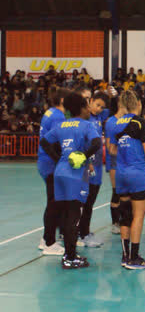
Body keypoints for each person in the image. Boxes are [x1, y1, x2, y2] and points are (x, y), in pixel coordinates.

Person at [40, 92, 101, 269]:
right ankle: (70, 257)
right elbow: (97, 144)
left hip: (60, 171)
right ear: (82, 108)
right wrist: (83, 156)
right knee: (74, 216)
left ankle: (69, 254)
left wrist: (57, 157)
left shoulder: (61, 124)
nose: (89, 110)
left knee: (65, 213)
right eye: (87, 106)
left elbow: (44, 142)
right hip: (76, 174)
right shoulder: (86, 125)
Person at [110, 91, 145, 269]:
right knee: (138, 216)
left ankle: (124, 255)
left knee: (125, 215)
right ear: (137, 103)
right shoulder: (141, 122)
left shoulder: (117, 123)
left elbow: (112, 150)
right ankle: (134, 257)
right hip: (137, 173)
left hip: (121, 174)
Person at [37, 87, 70, 255]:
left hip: (44, 162)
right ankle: (49, 242)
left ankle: (46, 238)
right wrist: (61, 160)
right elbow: (56, 140)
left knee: (52, 201)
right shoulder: (58, 116)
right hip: (50, 164)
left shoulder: (49, 112)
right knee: (54, 203)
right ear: (63, 101)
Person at [78, 90, 110, 248]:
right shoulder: (84, 118)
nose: (99, 109)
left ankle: (85, 231)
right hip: (86, 167)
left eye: (102, 107)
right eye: (97, 105)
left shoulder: (99, 117)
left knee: (90, 203)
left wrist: (113, 96)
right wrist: (86, 162)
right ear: (90, 101)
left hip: (96, 167)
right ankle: (80, 234)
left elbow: (115, 109)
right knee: (83, 202)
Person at [105, 99, 127, 234]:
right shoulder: (111, 122)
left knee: (125, 192)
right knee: (116, 192)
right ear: (120, 105)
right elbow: (109, 147)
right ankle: (115, 223)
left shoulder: (127, 121)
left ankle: (124, 220)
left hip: (126, 162)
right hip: (114, 162)